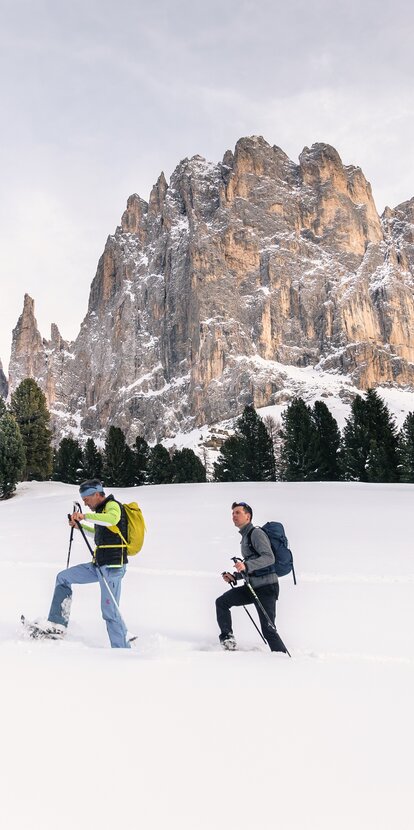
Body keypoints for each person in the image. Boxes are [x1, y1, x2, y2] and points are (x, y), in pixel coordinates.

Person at [37, 479, 130, 648]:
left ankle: (122, 650)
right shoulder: (101, 512)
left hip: (113, 567)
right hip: (98, 565)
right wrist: (80, 526)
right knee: (63, 577)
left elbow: (112, 520)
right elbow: (98, 534)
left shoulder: (113, 506)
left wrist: (84, 516)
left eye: (86, 500)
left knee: (110, 612)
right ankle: (57, 625)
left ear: (96, 494)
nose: (86, 504)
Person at [215, 501, 287, 652]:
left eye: (238, 513)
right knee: (222, 602)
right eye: (233, 513)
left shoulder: (256, 533)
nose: (234, 516)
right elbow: (252, 563)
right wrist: (235, 576)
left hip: (267, 587)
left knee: (268, 629)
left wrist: (246, 566)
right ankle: (227, 639)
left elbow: (269, 558)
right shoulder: (245, 536)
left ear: (248, 516)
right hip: (252, 587)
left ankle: (281, 658)